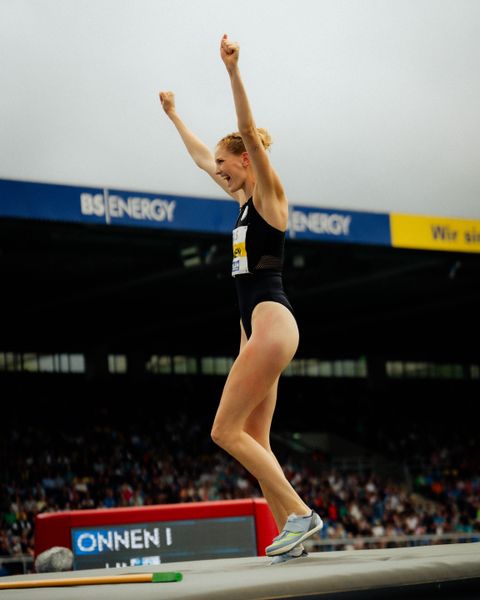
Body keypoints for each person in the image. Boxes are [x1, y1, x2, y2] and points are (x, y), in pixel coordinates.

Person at [159, 34, 322, 563]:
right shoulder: (242, 203)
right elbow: (203, 156)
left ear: (248, 162)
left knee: (223, 429)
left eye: (231, 164)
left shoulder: (271, 197)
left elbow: (246, 133)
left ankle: (300, 514)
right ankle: (290, 532)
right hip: (260, 331)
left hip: (274, 326)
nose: (222, 170)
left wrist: (232, 71)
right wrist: (175, 118)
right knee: (254, 436)